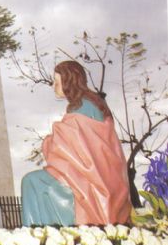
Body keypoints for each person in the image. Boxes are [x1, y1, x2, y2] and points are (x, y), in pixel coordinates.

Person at [21, 60, 132, 226]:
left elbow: (65, 148)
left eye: (57, 82)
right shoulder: (94, 103)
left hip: (89, 184)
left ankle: (35, 238)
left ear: (68, 81)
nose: (53, 86)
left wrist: (48, 141)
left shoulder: (81, 107)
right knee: (37, 180)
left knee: (31, 181)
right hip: (100, 179)